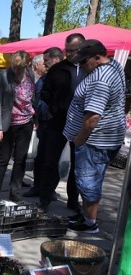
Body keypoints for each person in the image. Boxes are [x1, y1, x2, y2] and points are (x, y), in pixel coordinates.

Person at [63, 39, 126, 233]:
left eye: (83, 62)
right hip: (105, 137)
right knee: (91, 178)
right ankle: (86, 216)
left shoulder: (100, 79)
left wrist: (79, 140)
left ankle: (90, 223)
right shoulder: (114, 65)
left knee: (88, 180)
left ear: (97, 57)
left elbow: (92, 118)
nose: (80, 66)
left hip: (94, 140)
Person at [39, 34, 86, 214]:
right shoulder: (57, 69)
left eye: (73, 50)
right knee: (50, 162)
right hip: (57, 122)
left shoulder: (87, 69)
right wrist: (53, 109)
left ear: (81, 49)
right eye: (67, 50)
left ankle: (73, 200)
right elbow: (45, 93)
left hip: (80, 124)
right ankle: (45, 198)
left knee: (77, 165)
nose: (70, 54)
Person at [0, 50, 38, 202]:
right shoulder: (4, 76)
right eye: (15, 67)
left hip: (26, 123)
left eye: (20, 67)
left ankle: (14, 193)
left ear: (26, 65)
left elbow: (33, 97)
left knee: (20, 159)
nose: (16, 70)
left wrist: (35, 117)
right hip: (8, 124)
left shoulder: (30, 74)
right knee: (3, 159)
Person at [22, 54, 50, 201]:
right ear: (37, 65)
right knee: (37, 156)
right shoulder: (33, 78)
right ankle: (37, 185)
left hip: (45, 123)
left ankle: (44, 188)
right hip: (37, 122)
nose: (45, 66)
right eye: (43, 63)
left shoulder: (45, 79)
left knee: (44, 157)